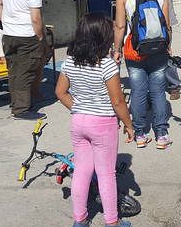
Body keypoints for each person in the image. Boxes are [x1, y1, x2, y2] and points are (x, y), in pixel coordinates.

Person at [55, 13, 134, 227]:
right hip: (103, 124)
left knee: (81, 172)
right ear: (103, 38)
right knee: (106, 174)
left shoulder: (70, 62)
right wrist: (128, 125)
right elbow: (117, 101)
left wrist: (80, 109)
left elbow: (60, 92)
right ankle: (112, 222)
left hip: (78, 122)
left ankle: (79, 220)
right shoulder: (107, 65)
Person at [113, 0, 173, 149]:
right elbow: (167, 24)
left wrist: (116, 50)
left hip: (134, 51)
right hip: (158, 50)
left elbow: (120, 26)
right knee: (158, 92)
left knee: (138, 92)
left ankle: (140, 134)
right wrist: (169, 47)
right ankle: (162, 135)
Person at [0, 0, 48, 120]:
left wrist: (6, 21)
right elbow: (35, 17)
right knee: (26, 72)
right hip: (27, 36)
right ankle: (21, 110)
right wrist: (40, 36)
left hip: (9, 34)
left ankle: (16, 103)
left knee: (14, 70)